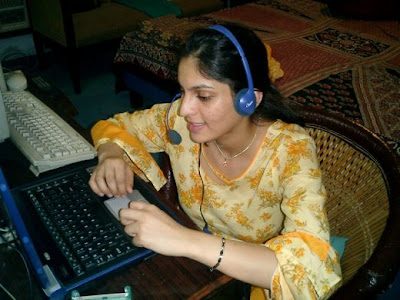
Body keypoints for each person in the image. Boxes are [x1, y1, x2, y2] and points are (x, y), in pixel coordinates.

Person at [89, 23, 342, 299]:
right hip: (191, 262)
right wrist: (111, 154)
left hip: (249, 278)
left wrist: (183, 239)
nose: (185, 109)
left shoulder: (291, 150)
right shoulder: (179, 121)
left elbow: (307, 267)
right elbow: (115, 126)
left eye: (203, 96)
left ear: (248, 100)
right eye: (183, 92)